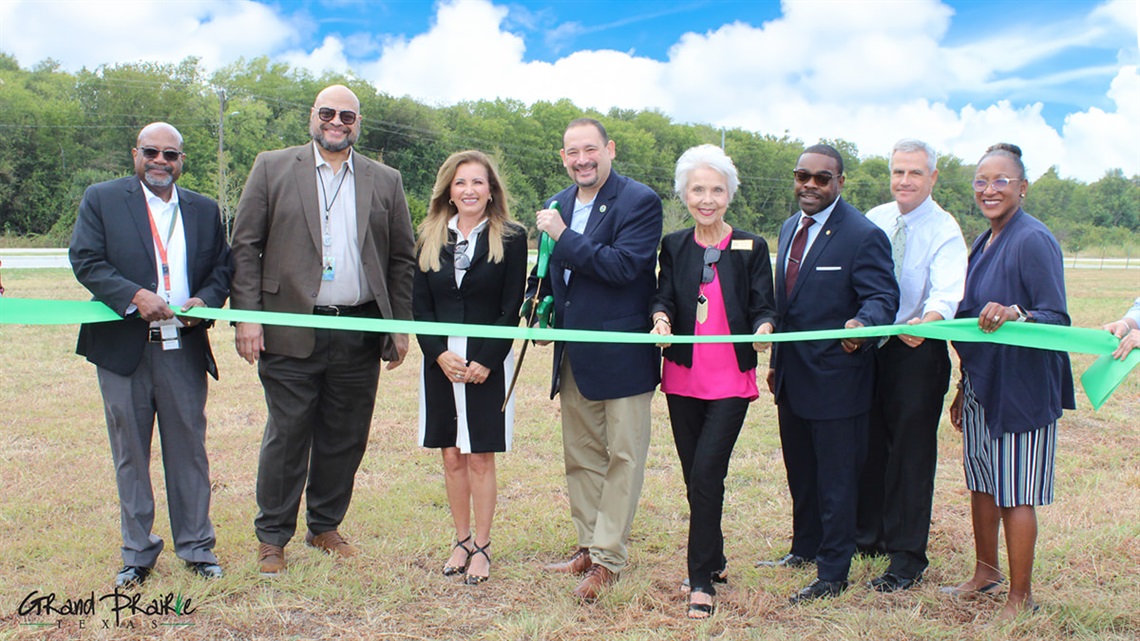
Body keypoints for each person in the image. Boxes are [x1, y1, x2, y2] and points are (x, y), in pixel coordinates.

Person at [231, 84, 416, 576]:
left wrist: (399, 328)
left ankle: (324, 526)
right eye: (329, 113)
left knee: (345, 435)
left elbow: (401, 259)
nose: (338, 122)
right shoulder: (272, 166)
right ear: (313, 115)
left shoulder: (386, 179)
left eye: (348, 116)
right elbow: (245, 247)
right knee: (287, 435)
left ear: (359, 124)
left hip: (359, 328)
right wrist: (247, 315)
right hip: (290, 327)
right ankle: (273, 537)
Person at [69, 122, 232, 587]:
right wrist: (135, 295)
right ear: (135, 154)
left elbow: (223, 268)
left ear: (182, 160)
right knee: (130, 454)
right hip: (124, 349)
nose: (160, 161)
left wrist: (205, 301)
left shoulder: (203, 209)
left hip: (183, 348)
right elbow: (86, 259)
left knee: (189, 452)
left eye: (170, 155)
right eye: (151, 152)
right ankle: (137, 554)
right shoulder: (102, 198)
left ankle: (197, 548)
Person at [530, 118, 663, 601]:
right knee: (581, 456)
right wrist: (539, 303)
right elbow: (549, 270)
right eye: (572, 152)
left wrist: (564, 235)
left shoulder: (640, 201)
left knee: (623, 457)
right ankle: (587, 544)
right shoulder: (557, 202)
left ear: (609, 149)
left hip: (621, 352)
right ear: (563, 157)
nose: (582, 159)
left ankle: (608, 558)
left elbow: (623, 267)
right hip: (572, 354)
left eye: (590, 149)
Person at [761, 144, 899, 604]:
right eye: (803, 176)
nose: (811, 185)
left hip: (839, 380)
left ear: (840, 182)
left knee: (836, 482)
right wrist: (776, 363)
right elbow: (787, 306)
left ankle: (832, 573)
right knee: (801, 472)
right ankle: (803, 549)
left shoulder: (862, 234)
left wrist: (862, 325)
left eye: (822, 178)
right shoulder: (788, 227)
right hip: (792, 378)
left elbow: (882, 297)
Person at [946, 143, 1075, 619]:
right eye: (981, 181)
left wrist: (1017, 312)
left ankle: (1020, 596)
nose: (989, 189)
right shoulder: (985, 239)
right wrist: (964, 386)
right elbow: (970, 321)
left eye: (1001, 181)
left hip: (1021, 389)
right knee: (983, 481)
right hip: (984, 383)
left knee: (1015, 490)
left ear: (1022, 187)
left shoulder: (1032, 239)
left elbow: (1056, 317)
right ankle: (986, 573)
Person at [649, 145, 776, 619]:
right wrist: (660, 318)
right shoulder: (675, 244)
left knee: (707, 474)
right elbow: (662, 295)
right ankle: (716, 557)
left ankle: (700, 580)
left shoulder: (751, 246)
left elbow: (765, 305)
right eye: (698, 189)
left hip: (730, 381)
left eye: (716, 190)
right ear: (684, 194)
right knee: (694, 477)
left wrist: (764, 330)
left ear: (730, 195)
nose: (707, 198)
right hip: (681, 377)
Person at [855, 139, 968, 592]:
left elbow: (947, 290)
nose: (905, 181)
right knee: (870, 444)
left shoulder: (945, 229)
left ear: (933, 177)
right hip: (872, 345)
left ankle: (906, 557)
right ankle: (870, 536)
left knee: (910, 453)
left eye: (915, 173)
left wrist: (930, 320)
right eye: (898, 172)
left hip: (916, 349)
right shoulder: (876, 219)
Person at [413, 150, 527, 585]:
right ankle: (459, 541)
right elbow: (418, 305)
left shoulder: (511, 238)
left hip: (486, 359)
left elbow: (510, 306)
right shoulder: (427, 235)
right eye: (461, 183)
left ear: (491, 189)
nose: (469, 190)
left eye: (478, 182)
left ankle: (482, 545)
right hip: (441, 361)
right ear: (449, 190)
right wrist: (436, 352)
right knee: (450, 454)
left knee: (480, 455)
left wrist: (486, 360)